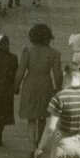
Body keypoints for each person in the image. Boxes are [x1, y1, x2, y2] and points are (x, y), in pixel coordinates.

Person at [16, 23, 63, 151]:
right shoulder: (54, 53)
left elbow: (20, 71)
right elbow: (57, 74)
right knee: (42, 117)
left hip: (30, 85)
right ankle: (39, 143)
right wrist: (59, 88)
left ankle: (32, 148)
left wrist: (16, 86)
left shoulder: (28, 51)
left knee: (31, 119)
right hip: (45, 86)